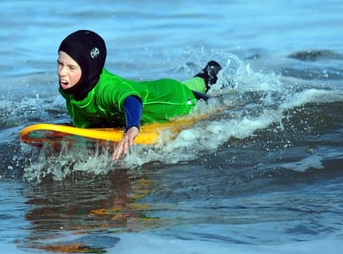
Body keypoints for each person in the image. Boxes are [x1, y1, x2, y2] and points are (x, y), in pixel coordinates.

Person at [57, 30, 221, 160]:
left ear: (89, 70)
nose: (62, 73)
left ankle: (211, 76)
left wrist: (132, 127)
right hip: (157, 89)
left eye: (71, 68)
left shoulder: (107, 89)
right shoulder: (71, 86)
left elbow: (132, 100)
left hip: (174, 100)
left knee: (220, 106)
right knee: (193, 84)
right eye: (60, 64)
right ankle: (209, 72)